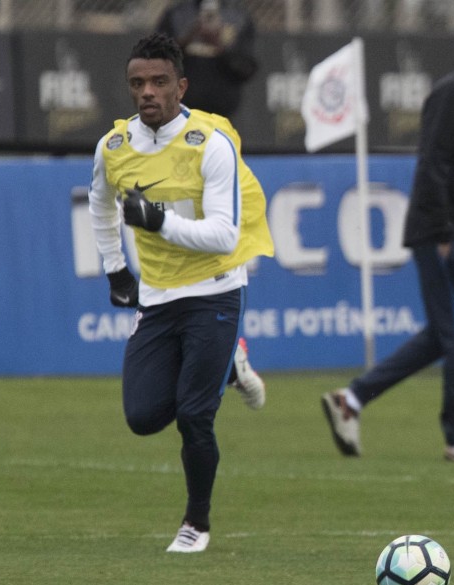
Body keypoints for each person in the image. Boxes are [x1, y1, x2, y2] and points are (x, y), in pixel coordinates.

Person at [88, 33, 274, 552]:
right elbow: (99, 205)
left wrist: (157, 220)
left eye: (159, 82)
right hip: (159, 295)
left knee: (194, 414)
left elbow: (224, 234)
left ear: (181, 86)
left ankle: (197, 522)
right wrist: (115, 270)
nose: (147, 92)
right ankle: (229, 365)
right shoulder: (115, 147)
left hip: (216, 289)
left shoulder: (209, 144)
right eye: (138, 83)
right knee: (142, 418)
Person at [320, 16, 454, 463]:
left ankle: (351, 399)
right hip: (441, 231)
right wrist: (447, 231)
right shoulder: (452, 93)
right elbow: (433, 164)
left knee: (442, 334)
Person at [155, 0, 258, 120]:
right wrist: (189, 37)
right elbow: (159, 59)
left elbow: (247, 67)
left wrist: (219, 46)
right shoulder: (177, 14)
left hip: (223, 111)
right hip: (180, 110)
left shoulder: (238, 16)